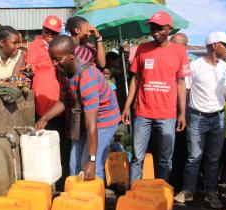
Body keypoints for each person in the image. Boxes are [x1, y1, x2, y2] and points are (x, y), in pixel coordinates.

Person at [35, 35, 120, 180]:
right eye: (52, 59)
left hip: (103, 120)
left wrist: (92, 160)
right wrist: (45, 118)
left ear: (72, 56)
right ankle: (73, 198)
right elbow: (64, 100)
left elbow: (92, 125)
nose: (54, 64)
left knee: (91, 168)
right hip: (83, 116)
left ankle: (95, 200)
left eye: (58, 59)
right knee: (74, 165)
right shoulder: (63, 71)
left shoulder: (88, 78)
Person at [121, 11, 190, 184]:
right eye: (153, 27)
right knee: (137, 158)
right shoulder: (142, 49)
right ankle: (134, 193)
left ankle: (162, 195)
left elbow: (181, 83)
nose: (155, 31)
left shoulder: (179, 52)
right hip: (142, 112)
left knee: (165, 160)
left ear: (169, 29)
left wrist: (182, 113)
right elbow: (135, 79)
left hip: (167, 115)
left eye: (160, 28)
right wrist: (127, 106)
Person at [174, 31, 226, 209]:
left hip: (218, 117)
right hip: (197, 117)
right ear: (214, 45)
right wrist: (182, 114)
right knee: (194, 157)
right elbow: (184, 90)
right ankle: (188, 191)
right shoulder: (194, 66)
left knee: (213, 158)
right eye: (225, 44)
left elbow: (222, 90)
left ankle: (210, 192)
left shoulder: (224, 66)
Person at [27, 15, 62, 118]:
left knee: (57, 123)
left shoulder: (60, 46)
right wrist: (29, 68)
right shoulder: (34, 46)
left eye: (54, 32)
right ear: (43, 30)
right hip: (43, 90)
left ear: (58, 33)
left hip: (58, 90)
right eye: (47, 31)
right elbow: (31, 64)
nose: (50, 35)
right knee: (44, 120)